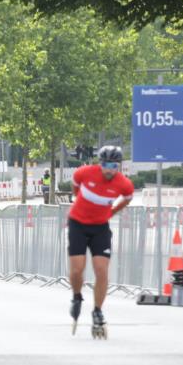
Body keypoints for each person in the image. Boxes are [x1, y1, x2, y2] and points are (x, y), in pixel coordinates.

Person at [67, 145, 134, 339]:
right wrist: (78, 198)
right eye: (106, 165)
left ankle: (97, 310)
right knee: (78, 269)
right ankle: (77, 296)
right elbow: (75, 187)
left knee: (101, 270)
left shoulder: (124, 184)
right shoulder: (84, 173)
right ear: (100, 163)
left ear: (119, 166)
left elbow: (128, 198)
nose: (109, 170)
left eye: (114, 165)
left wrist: (112, 211)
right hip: (78, 224)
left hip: (100, 228)